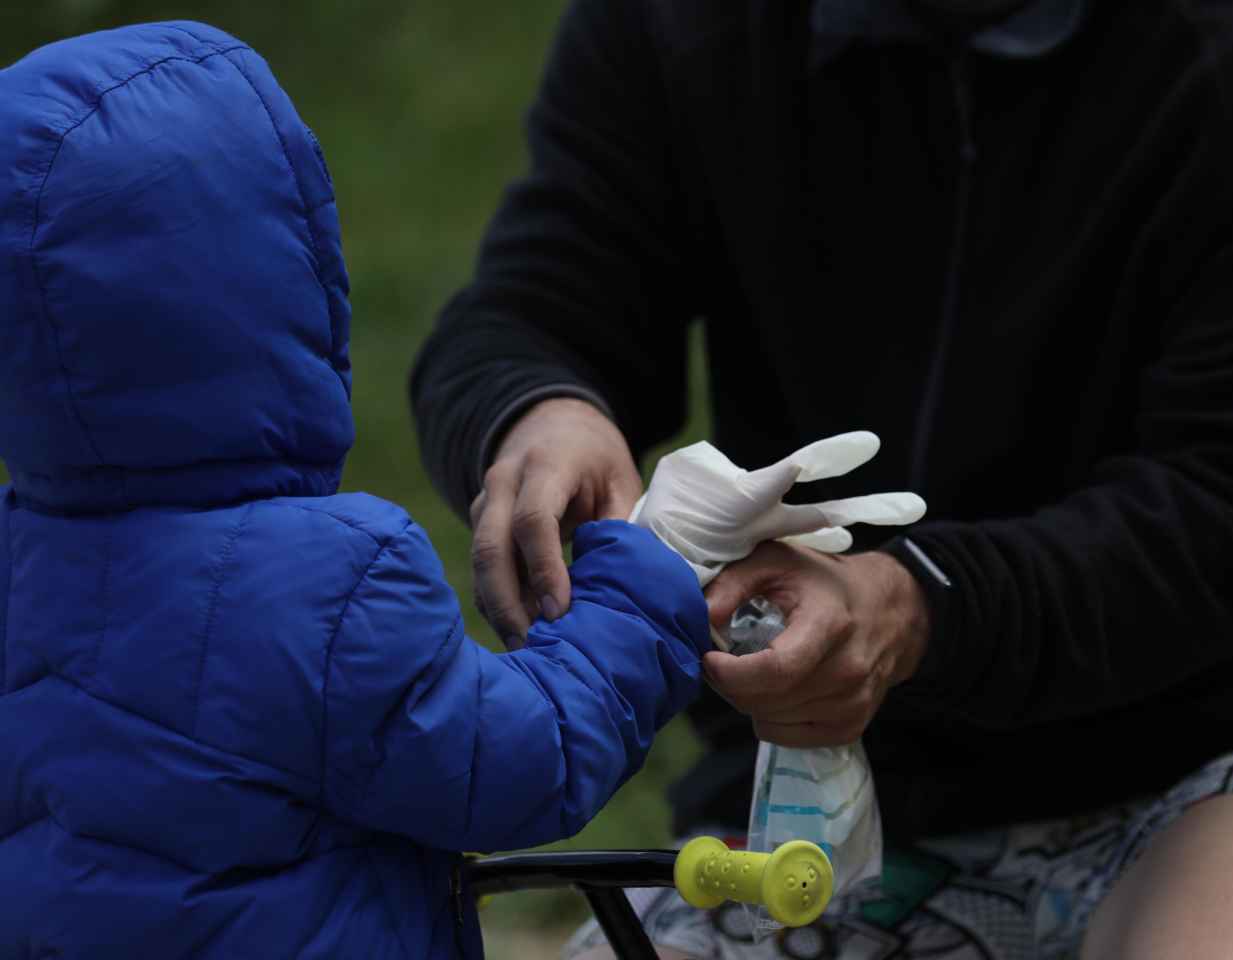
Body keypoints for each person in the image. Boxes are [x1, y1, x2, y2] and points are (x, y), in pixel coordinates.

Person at [410, 0, 1233, 956]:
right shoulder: (675, 28)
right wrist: (536, 412)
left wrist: (917, 608)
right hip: (825, 801)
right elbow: (535, 304)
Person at [0, 22, 713, 959]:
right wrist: (643, 586)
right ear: (287, 277)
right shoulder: (330, 588)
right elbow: (522, 761)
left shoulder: (19, 559)